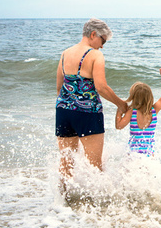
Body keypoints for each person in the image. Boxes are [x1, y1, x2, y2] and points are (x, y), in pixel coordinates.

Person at [55, 18, 128, 181]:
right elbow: (101, 87)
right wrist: (122, 105)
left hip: (63, 111)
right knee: (94, 165)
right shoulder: (95, 55)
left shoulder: (64, 54)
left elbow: (59, 88)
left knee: (66, 163)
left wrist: (70, 104)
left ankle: (62, 202)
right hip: (88, 113)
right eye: (103, 41)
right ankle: (96, 205)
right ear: (93, 34)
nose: (102, 46)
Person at [115, 67, 161, 157]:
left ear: (133, 97)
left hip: (132, 155)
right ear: (150, 97)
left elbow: (119, 126)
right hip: (149, 156)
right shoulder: (154, 110)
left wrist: (119, 111)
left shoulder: (131, 112)